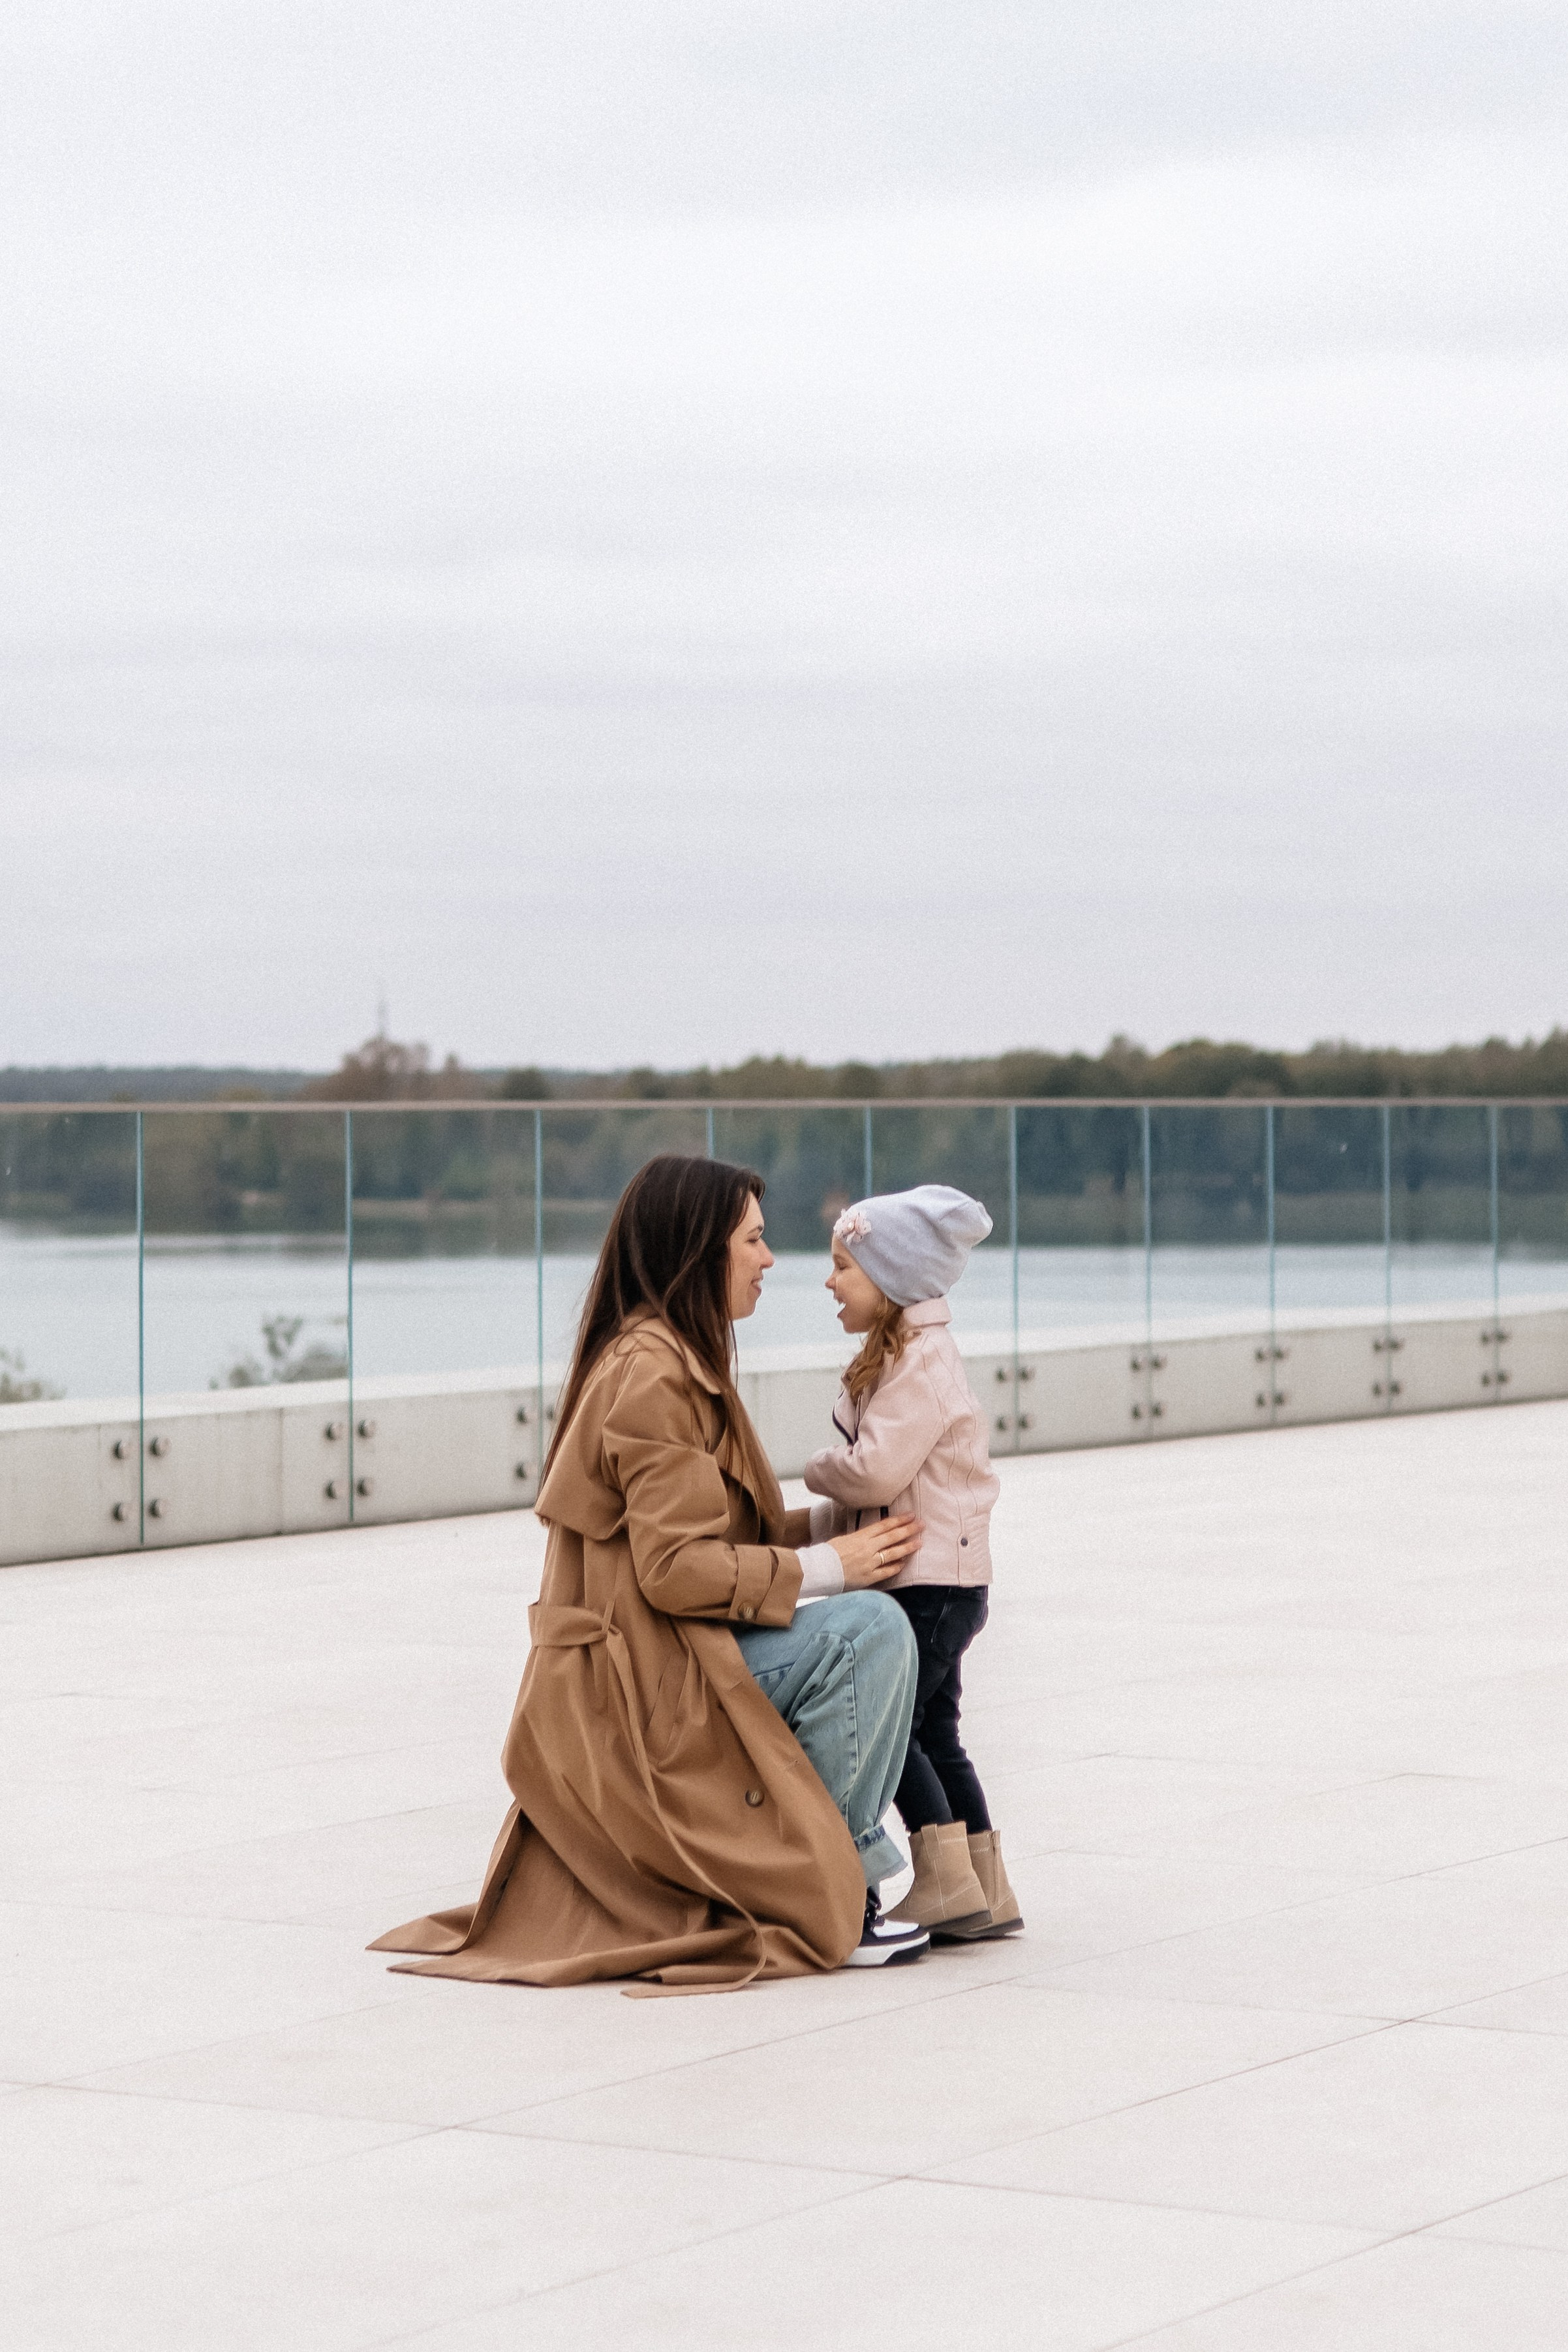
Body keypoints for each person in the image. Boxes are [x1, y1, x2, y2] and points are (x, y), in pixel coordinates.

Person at [371, 1154, 930, 1992]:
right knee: (870, 1632)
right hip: (636, 1688)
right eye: (755, 1239)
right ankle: (828, 1892)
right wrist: (828, 1566)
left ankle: (828, 1875)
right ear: (700, 1251)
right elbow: (674, 1569)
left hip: (664, 1655)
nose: (772, 1259)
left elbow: (708, 1533)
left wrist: (837, 1528)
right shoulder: (653, 1373)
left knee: (873, 1616)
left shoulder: (670, 1355)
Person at [802, 1184, 1023, 1940]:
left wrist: (816, 1466)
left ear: (891, 1281)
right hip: (942, 1579)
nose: (829, 1281)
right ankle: (985, 1889)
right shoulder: (909, 1358)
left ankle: (944, 1882)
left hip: (926, 1586)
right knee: (936, 1732)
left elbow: (872, 1474)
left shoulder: (920, 1364)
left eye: (844, 1267)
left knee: (893, 1730)